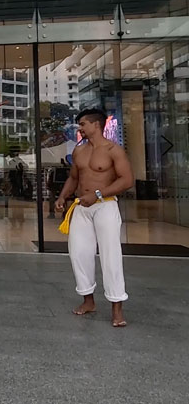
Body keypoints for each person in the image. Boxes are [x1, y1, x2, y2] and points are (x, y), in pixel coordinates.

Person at [56, 108, 133, 327]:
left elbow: (127, 180)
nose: (79, 128)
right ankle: (88, 301)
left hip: (105, 206)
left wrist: (98, 194)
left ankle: (117, 308)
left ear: (96, 125)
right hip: (82, 207)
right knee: (79, 254)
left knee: (111, 256)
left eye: (82, 124)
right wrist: (63, 196)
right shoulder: (80, 151)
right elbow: (73, 178)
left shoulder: (113, 150)